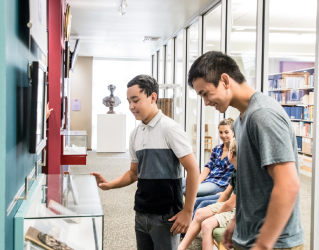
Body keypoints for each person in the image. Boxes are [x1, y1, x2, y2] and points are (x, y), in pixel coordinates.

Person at [188, 51, 303, 250]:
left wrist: (263, 244)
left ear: (225, 80)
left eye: (205, 94)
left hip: (274, 243)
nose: (205, 102)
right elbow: (249, 181)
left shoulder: (262, 115)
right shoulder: (242, 119)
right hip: (249, 236)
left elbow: (288, 185)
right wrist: (236, 222)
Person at [91, 75, 200, 250]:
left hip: (166, 216)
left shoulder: (170, 129)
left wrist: (188, 211)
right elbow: (134, 173)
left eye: (135, 100)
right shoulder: (135, 134)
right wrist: (110, 185)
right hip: (141, 212)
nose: (131, 106)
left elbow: (193, 170)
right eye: (129, 101)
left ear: (153, 97)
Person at [178, 139, 238, 250]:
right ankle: (180, 247)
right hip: (225, 196)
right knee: (200, 212)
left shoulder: (242, 173)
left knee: (206, 222)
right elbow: (226, 195)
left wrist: (216, 214)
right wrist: (213, 208)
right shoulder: (235, 171)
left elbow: (231, 203)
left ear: (231, 153)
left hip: (236, 206)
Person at [182, 118, 235, 197]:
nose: (223, 135)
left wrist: (228, 193)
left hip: (220, 185)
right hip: (208, 180)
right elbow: (208, 167)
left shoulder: (236, 151)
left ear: (233, 132)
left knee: (187, 190)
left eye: (226, 132)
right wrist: (198, 181)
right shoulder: (217, 149)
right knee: (176, 183)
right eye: (221, 132)